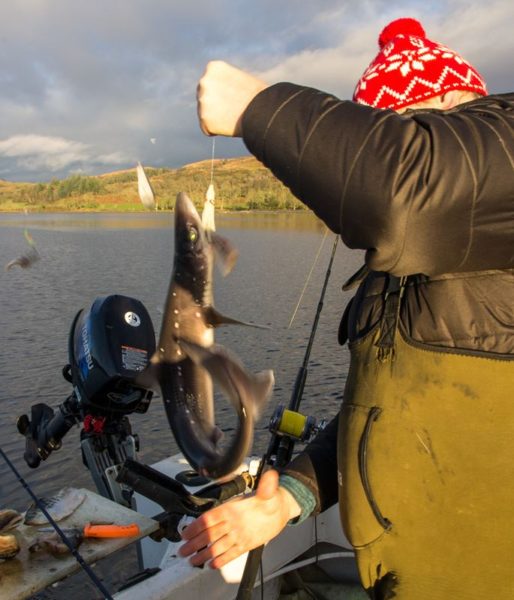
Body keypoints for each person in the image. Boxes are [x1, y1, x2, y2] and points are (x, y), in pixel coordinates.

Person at [180, 17, 514, 599]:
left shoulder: (503, 149)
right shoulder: (401, 272)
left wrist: (259, 107)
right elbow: (379, 419)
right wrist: (288, 500)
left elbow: (402, 194)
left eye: (400, 129)